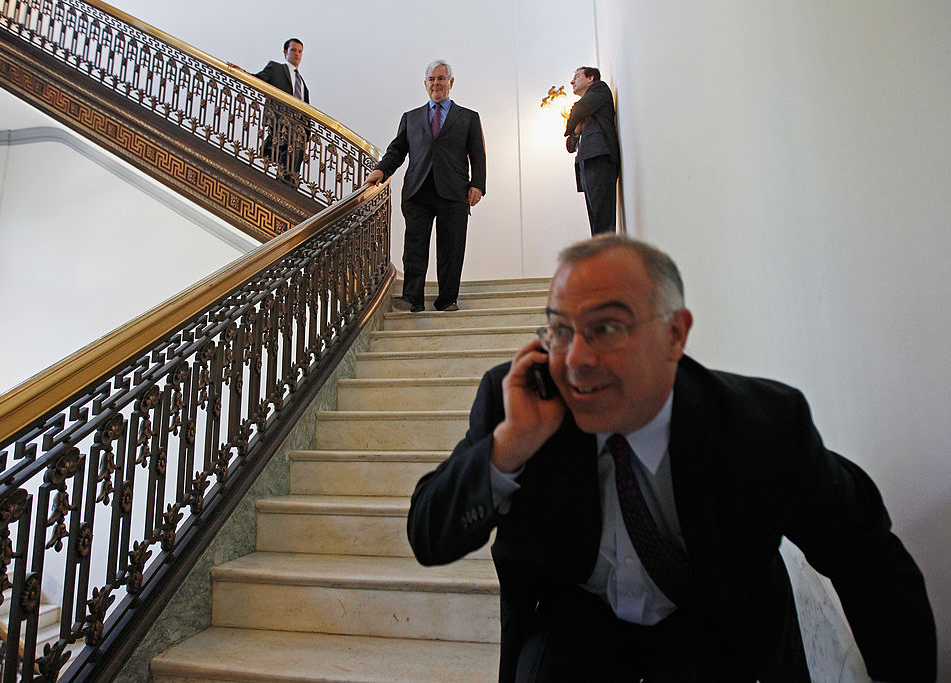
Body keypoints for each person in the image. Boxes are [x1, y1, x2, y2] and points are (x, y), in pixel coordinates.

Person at [407, 234, 936, 682]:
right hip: (575, 636)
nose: (576, 360)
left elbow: (867, 557)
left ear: (674, 335)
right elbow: (430, 538)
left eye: (606, 328)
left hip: (721, 633)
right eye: (561, 330)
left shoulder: (762, 425)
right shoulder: (519, 399)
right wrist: (510, 447)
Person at [364, 60, 485, 313]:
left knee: (451, 247)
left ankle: (447, 299)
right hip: (418, 190)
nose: (436, 84)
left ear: (450, 83)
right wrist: (381, 170)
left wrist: (478, 184)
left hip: (453, 191)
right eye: (431, 79)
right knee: (415, 246)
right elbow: (397, 150)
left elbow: (478, 154)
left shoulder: (469, 117)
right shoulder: (411, 117)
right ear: (425, 84)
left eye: (441, 79)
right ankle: (412, 299)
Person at [565, 67, 620, 235]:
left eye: (577, 76)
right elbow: (569, 145)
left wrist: (573, 124)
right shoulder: (588, 105)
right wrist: (575, 130)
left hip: (599, 157)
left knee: (603, 221)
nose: (572, 81)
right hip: (587, 162)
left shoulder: (599, 88)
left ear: (591, 78)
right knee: (596, 221)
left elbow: (577, 111)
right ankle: (601, 258)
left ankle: (606, 259)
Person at [253, 38, 309, 184]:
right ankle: (283, 184)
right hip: (280, 122)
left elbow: (307, 113)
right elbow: (258, 79)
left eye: (300, 51)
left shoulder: (303, 85)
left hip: (297, 130)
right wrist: (239, 72)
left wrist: (307, 137)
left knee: (296, 154)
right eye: (293, 50)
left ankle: (287, 185)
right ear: (285, 52)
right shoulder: (276, 68)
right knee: (288, 149)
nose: (297, 54)